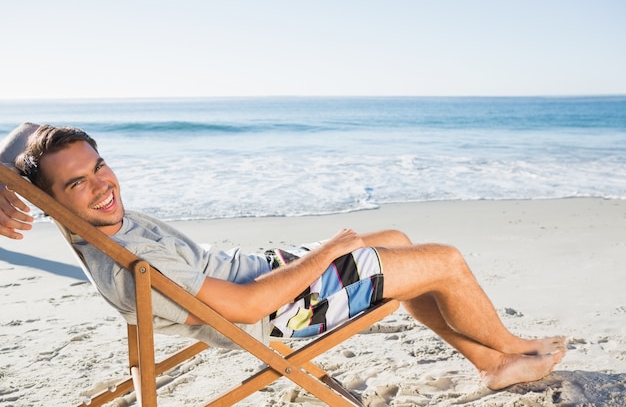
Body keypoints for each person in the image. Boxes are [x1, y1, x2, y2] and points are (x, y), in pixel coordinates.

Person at [0, 122, 566, 390]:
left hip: (262, 272)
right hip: (285, 310)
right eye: (77, 183)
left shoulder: (84, 225)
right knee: (443, 260)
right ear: (51, 203)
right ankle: (510, 352)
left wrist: (5, 179)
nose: (102, 185)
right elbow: (248, 310)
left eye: (99, 165)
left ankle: (489, 362)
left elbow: (22, 135)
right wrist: (328, 252)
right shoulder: (133, 263)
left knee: (393, 236)